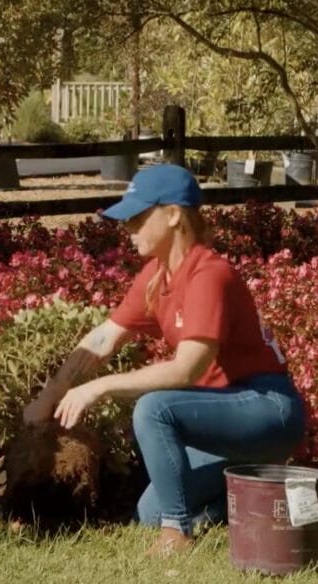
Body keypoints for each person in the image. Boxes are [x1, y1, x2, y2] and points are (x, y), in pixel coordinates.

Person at [23, 164, 305, 555]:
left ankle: (177, 534)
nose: (128, 228)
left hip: (267, 410)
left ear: (173, 215)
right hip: (222, 420)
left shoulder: (209, 274)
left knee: (154, 408)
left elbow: (188, 369)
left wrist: (100, 387)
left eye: (138, 217)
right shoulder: (157, 276)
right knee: (148, 512)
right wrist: (47, 399)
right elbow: (102, 339)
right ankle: (263, 497)